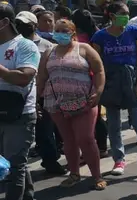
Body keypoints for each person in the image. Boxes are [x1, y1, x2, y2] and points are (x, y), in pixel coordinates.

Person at [90, 1, 137, 178]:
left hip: (131, 81)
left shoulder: (134, 32)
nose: (126, 17)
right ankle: (119, 160)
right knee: (113, 126)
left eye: (127, 13)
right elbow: (96, 64)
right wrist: (99, 86)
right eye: (123, 13)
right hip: (111, 84)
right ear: (112, 16)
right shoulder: (100, 37)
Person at [38, 20, 107, 190]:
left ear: (72, 32)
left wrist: (98, 91)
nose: (60, 33)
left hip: (84, 102)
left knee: (86, 138)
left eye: (64, 30)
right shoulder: (49, 52)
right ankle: (74, 173)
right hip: (56, 103)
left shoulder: (84, 49)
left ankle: (97, 176)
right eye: (58, 30)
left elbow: (99, 70)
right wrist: (38, 99)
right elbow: (42, 77)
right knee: (68, 140)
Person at [0, 2, 42, 200]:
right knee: (14, 163)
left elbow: (24, 77)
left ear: (4, 22)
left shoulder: (24, 46)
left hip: (19, 115)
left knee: (14, 167)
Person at [14, 11, 67, 175]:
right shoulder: (13, 45)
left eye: (25, 24)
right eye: (18, 24)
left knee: (45, 131)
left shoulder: (47, 45)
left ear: (34, 26)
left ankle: (50, 161)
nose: (21, 27)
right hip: (18, 96)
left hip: (44, 94)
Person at [72, 9, 109, 157]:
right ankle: (100, 146)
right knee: (96, 115)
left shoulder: (79, 39)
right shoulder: (99, 34)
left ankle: (91, 149)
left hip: (85, 80)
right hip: (96, 79)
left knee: (86, 117)